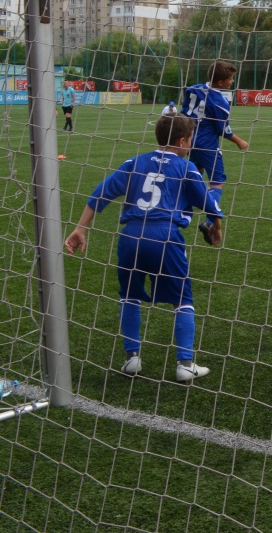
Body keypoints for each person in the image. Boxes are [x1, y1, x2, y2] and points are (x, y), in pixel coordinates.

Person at [63, 115, 224, 382]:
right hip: (166, 236)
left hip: (131, 237)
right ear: (183, 141)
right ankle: (185, 363)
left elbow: (99, 194)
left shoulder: (133, 163)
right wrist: (216, 226)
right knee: (182, 299)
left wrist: (81, 229)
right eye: (191, 139)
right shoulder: (186, 168)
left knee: (129, 295)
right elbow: (209, 204)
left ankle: (132, 359)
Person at [183, 61, 249, 244]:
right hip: (208, 145)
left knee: (193, 177)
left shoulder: (193, 89)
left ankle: (179, 208)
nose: (232, 81)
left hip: (190, 141)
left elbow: (184, 113)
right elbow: (223, 130)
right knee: (217, 182)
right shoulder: (220, 101)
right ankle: (210, 221)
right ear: (220, 82)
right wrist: (239, 141)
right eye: (230, 79)